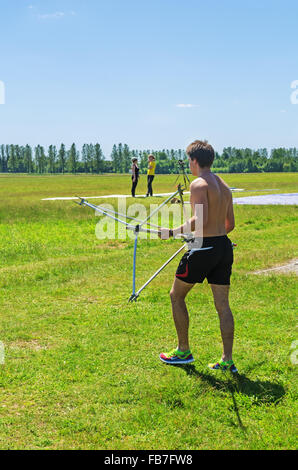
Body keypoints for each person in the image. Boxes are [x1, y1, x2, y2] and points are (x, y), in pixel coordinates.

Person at [159, 140, 237, 373]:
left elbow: (199, 220)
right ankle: (227, 360)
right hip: (223, 246)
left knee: (176, 296)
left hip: (204, 248)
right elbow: (230, 224)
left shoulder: (198, 184)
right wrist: (213, 237)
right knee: (223, 305)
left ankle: (183, 351)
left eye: (189, 160)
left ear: (194, 160)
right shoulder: (224, 186)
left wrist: (173, 232)